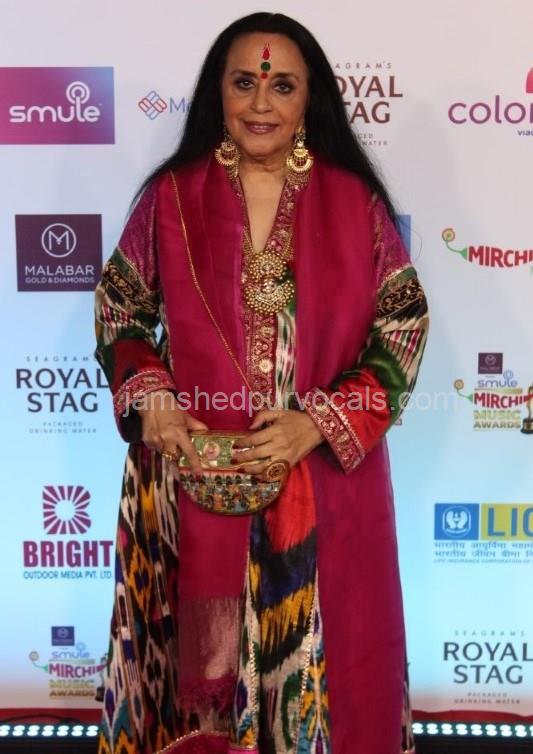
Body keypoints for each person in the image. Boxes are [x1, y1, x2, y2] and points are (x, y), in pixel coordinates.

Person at [94, 12, 428, 754]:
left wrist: (319, 422)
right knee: (203, 669)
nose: (261, 104)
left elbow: (402, 326)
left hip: (321, 481)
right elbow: (120, 309)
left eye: (282, 86)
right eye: (244, 83)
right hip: (194, 475)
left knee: (329, 662)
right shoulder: (170, 199)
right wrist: (152, 395)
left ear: (310, 99)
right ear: (219, 92)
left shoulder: (355, 204)